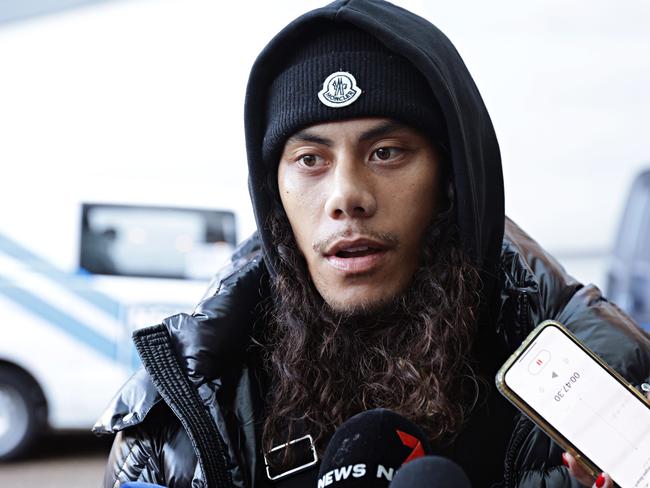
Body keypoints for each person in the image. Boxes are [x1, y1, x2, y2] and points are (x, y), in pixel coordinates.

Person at [93, 1, 650, 487]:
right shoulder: (181, 418)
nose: (347, 197)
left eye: (385, 152)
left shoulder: (609, 387)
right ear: (274, 193)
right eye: (310, 160)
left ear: (453, 179)